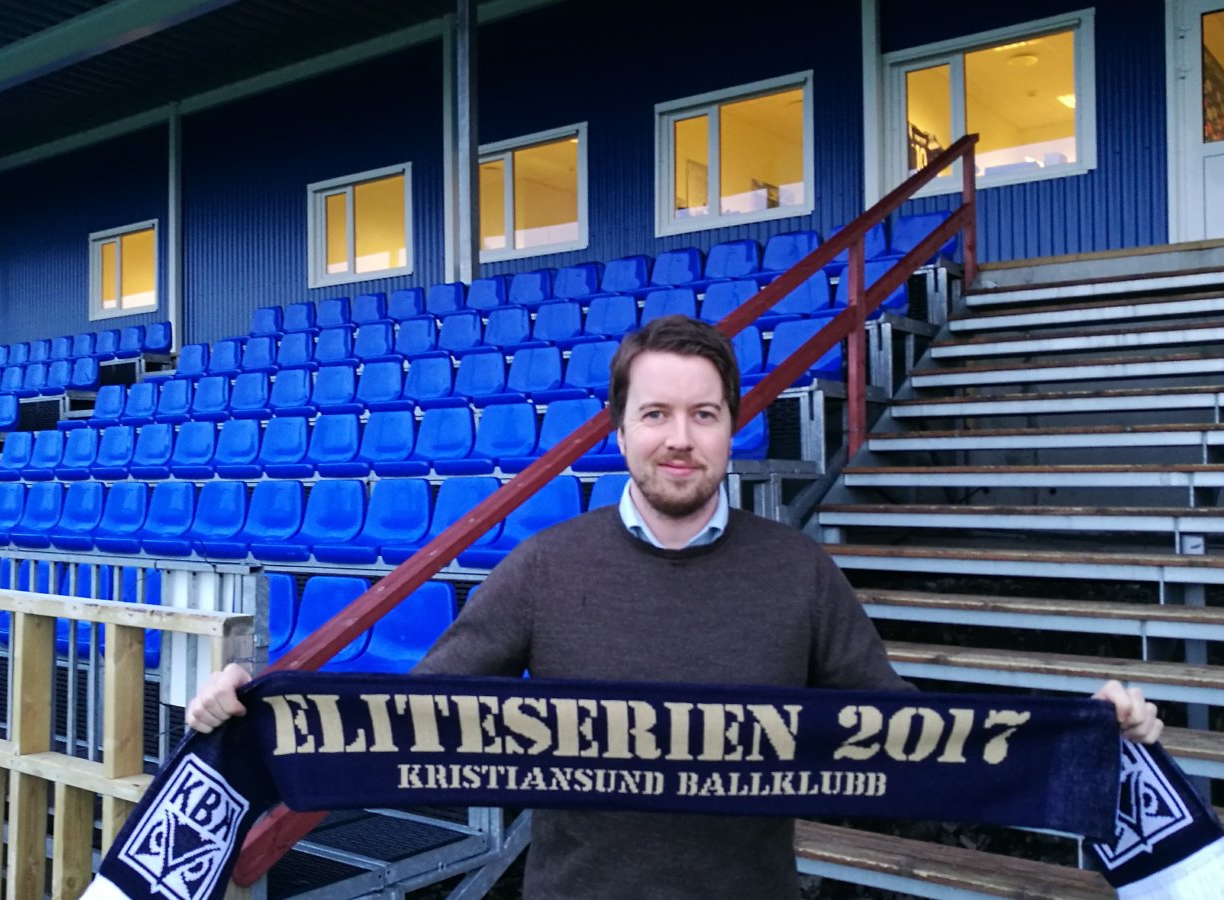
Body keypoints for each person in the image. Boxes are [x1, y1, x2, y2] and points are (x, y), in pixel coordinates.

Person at [187, 314, 1163, 898]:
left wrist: (1083, 735)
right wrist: (254, 710)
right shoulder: (544, 567)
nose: (679, 438)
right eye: (654, 414)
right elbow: (405, 718)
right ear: (619, 432)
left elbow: (908, 736)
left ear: (733, 428)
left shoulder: (799, 573)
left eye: (704, 414)